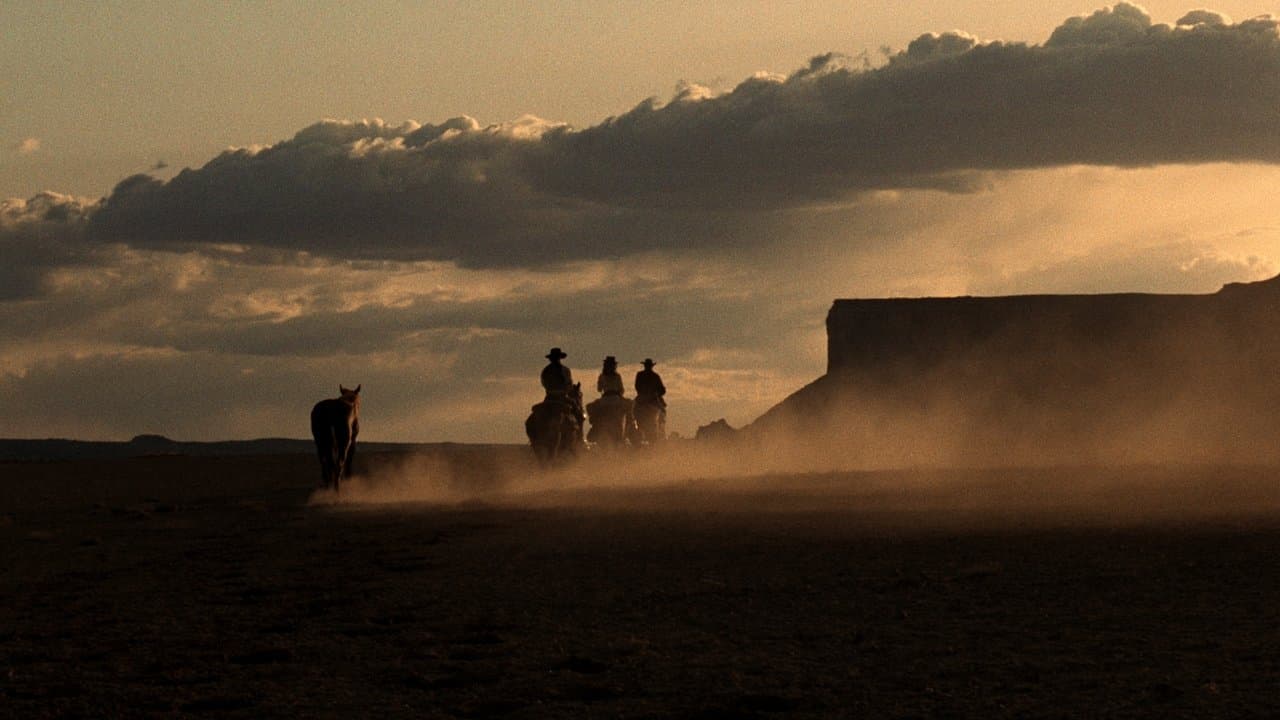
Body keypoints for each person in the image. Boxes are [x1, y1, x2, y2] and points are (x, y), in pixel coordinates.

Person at [540, 347, 584, 424]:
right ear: (560, 358)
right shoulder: (565, 370)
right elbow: (569, 384)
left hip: (549, 397)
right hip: (563, 397)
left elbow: (544, 383)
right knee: (578, 413)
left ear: (551, 359)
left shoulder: (546, 370)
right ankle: (579, 433)